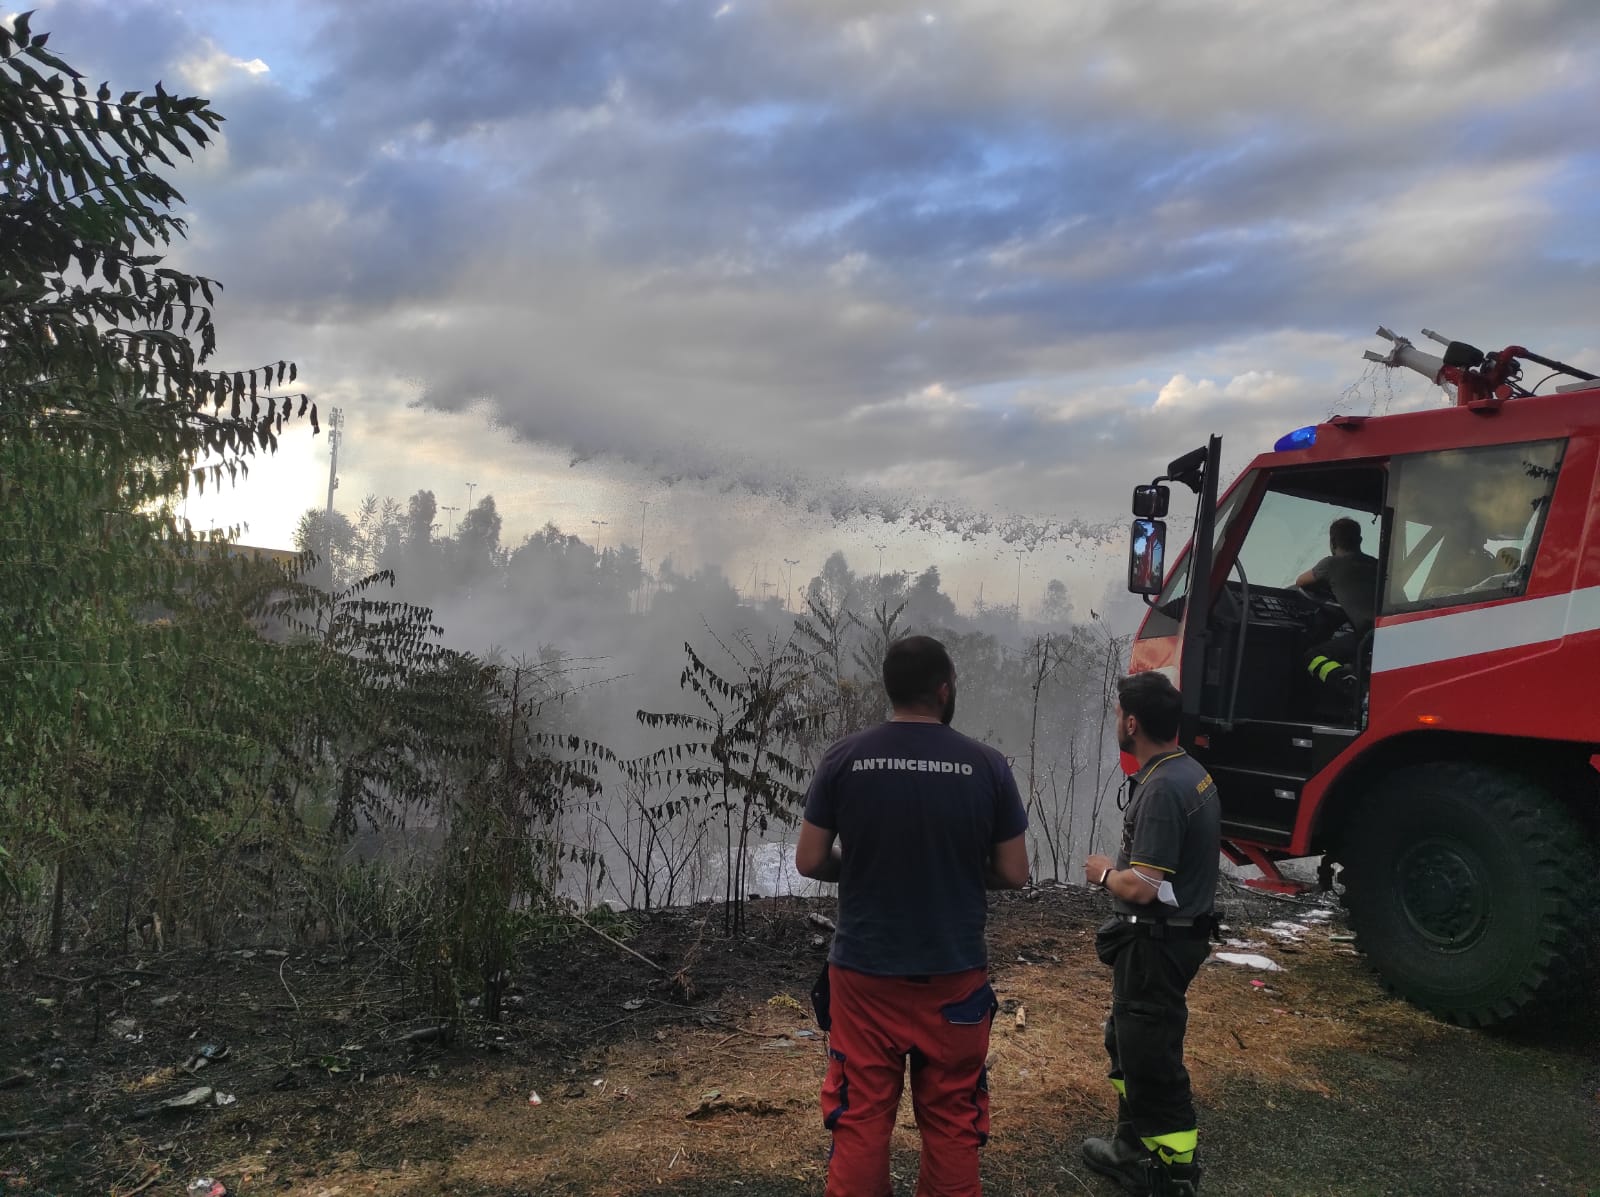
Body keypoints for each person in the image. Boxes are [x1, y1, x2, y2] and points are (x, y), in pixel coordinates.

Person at [796, 635, 1030, 1197]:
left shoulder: (844, 759)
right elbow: (1015, 872)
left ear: (889, 688)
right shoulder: (988, 766)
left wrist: (864, 867)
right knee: (953, 1118)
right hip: (954, 976)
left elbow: (808, 860)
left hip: (864, 976)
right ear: (945, 689)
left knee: (860, 1117)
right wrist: (953, 868)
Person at [1082, 671, 1220, 1196]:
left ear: (1132, 722)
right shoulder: (1189, 772)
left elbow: (1143, 886)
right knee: (1128, 1040)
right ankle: (1130, 1146)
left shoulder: (1162, 788)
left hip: (1157, 943)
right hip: (1167, 939)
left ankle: (1172, 1173)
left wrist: (1101, 874)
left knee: (1151, 1056)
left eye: (1119, 713)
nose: (1117, 721)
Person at [1295, 516, 1379, 689]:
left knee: (1312, 656)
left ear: (1332, 542)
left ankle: (1346, 683)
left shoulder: (1330, 565)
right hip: (1388, 632)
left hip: (1368, 636)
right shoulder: (1376, 564)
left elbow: (1299, 582)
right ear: (1360, 540)